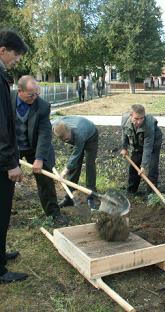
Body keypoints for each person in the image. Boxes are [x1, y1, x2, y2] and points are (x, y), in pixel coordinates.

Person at [12, 75, 68, 226]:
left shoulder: (42, 106)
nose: (35, 97)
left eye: (37, 93)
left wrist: (40, 158)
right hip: (12, 146)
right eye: (31, 94)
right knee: (7, 178)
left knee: (45, 180)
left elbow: (45, 133)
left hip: (35, 146)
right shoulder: (5, 99)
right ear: (20, 91)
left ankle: (53, 213)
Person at [0, 28, 28, 283]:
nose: (16, 61)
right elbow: (0, 127)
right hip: (0, 162)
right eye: (15, 56)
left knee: (4, 211)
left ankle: (0, 255)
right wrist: (11, 163)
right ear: (3, 50)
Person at [52, 116, 98, 210]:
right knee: (74, 167)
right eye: (64, 140)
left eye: (68, 138)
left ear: (70, 130)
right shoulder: (55, 125)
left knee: (90, 165)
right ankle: (68, 198)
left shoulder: (79, 134)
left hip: (91, 135)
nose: (67, 141)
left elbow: (76, 155)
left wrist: (64, 171)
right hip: (77, 134)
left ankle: (91, 196)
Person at [120, 104, 162, 194]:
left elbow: (148, 146)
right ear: (131, 115)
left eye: (141, 118)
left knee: (152, 168)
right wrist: (124, 147)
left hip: (153, 143)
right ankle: (131, 191)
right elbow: (125, 133)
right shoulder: (124, 119)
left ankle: (151, 194)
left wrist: (143, 166)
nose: (139, 122)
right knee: (134, 165)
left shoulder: (149, 124)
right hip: (137, 142)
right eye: (136, 118)